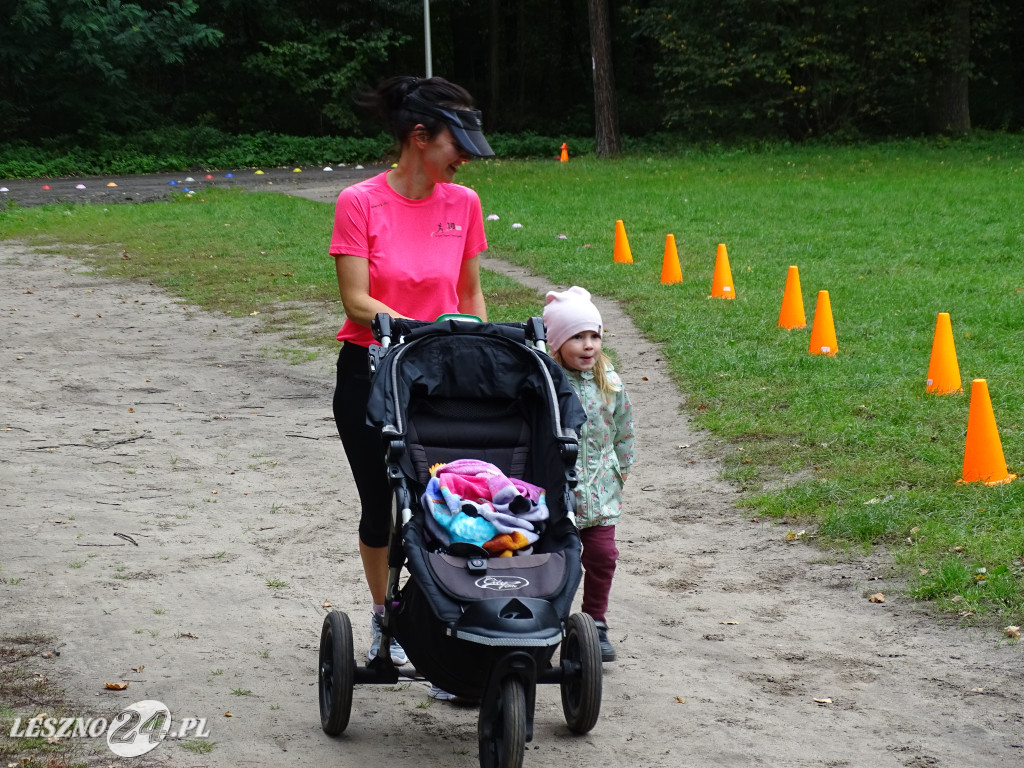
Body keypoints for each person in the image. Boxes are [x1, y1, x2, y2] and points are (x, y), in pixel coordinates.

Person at [329, 75, 493, 698]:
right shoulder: (360, 202)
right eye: (458, 143)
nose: (466, 157)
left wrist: (473, 339)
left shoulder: (465, 203)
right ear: (419, 138)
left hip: (445, 375)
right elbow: (355, 299)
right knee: (385, 508)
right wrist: (415, 328)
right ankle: (386, 621)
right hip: (372, 371)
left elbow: (470, 291)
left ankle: (449, 635)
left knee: (453, 503)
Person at [543, 287, 635, 662]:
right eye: (576, 337)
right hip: (555, 493)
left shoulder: (609, 382)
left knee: (602, 555)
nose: (587, 345)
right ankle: (547, 621)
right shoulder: (547, 382)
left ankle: (595, 621)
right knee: (554, 560)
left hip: (600, 490)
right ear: (557, 343)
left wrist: (620, 472)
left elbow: (624, 431)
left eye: (594, 336)